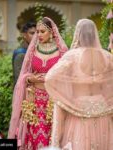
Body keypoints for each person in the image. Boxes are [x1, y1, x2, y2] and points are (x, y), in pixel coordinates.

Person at [45, 19, 113, 150]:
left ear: (78, 34)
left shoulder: (72, 56)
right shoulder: (107, 57)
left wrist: (65, 98)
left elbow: (50, 78)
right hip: (103, 111)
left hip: (78, 113)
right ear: (95, 34)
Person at [8, 17, 68, 150]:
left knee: (51, 134)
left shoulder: (62, 52)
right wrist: (30, 79)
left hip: (53, 101)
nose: (39, 35)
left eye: (42, 32)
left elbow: (67, 78)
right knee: (34, 134)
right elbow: (23, 75)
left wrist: (51, 78)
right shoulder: (33, 50)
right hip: (33, 100)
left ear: (52, 32)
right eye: (37, 32)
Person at [12, 21, 36, 87]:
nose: (35, 36)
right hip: (24, 92)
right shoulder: (20, 53)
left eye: (36, 33)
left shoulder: (35, 50)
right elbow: (19, 79)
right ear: (24, 35)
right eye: (32, 33)